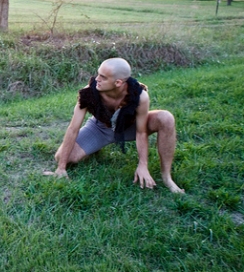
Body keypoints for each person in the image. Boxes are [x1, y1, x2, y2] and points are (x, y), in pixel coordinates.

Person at [47, 58, 184, 193]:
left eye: (103, 77)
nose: (97, 79)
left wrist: (143, 164)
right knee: (62, 156)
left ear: (118, 82)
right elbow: (73, 129)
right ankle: (94, 147)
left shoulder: (139, 95)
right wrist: (61, 167)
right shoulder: (88, 93)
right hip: (100, 128)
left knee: (166, 118)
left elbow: (141, 132)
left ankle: (167, 177)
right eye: (98, 73)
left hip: (129, 127)